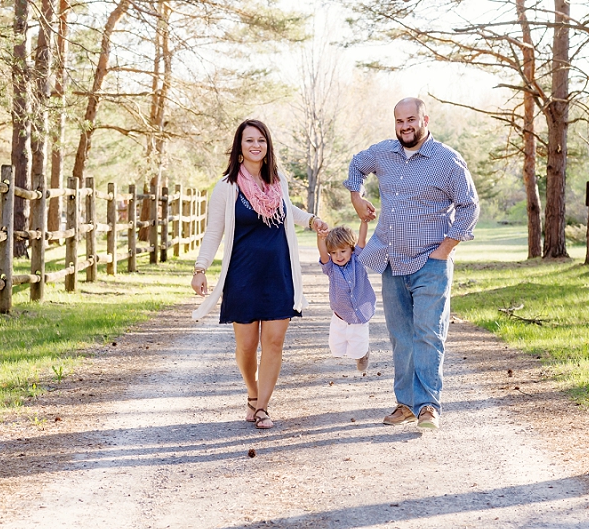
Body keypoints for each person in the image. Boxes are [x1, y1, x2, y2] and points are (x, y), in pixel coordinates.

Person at [344, 97, 479, 429]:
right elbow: (356, 165)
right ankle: (405, 404)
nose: (405, 126)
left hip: (431, 262)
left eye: (411, 120)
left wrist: (444, 250)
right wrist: (356, 196)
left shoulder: (448, 160)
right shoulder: (384, 153)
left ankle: (429, 406)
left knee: (429, 334)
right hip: (392, 262)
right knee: (400, 337)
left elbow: (469, 206)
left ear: (425, 119)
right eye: (399, 121)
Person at [191, 119, 328, 430]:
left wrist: (312, 221)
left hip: (279, 273)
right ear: (240, 147)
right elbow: (214, 232)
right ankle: (252, 394)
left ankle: (263, 407)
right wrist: (200, 268)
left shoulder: (277, 182)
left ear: (268, 147)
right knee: (247, 345)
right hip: (243, 276)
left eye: (261, 140)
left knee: (275, 342)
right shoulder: (227, 187)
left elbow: (287, 209)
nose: (256, 145)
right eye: (249, 140)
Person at [316, 221, 376, 372]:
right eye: (334, 253)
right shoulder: (331, 268)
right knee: (336, 348)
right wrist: (320, 238)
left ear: (351, 248)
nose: (338, 256)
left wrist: (363, 221)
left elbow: (362, 240)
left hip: (359, 316)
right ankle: (354, 350)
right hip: (339, 316)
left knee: (358, 348)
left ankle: (363, 354)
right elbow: (323, 253)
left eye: (342, 251)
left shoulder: (359, 260)